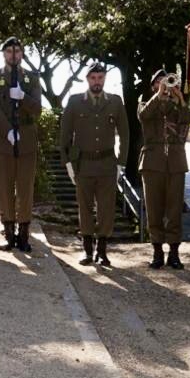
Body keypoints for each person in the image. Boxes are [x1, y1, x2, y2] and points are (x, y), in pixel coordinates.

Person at [59, 62, 128, 266]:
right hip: (83, 164)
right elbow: (64, 135)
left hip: (107, 164)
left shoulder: (115, 102)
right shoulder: (75, 102)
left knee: (106, 209)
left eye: (100, 77)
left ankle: (102, 251)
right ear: (87, 79)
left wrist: (121, 163)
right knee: (85, 208)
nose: (97, 81)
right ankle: (88, 251)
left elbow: (125, 134)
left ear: (104, 78)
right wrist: (68, 163)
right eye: (93, 78)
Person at [0, 36, 43, 252]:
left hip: (26, 138)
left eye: (17, 51)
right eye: (9, 51)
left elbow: (37, 109)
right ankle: (9, 232)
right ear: (4, 54)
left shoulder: (32, 78)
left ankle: (24, 233)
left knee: (25, 188)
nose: (13, 55)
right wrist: (7, 130)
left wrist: (23, 96)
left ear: (22, 54)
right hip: (3, 139)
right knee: (5, 187)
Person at [138, 71, 190, 268]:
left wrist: (180, 99)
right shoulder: (146, 104)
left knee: (174, 209)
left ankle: (174, 253)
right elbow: (144, 116)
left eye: (166, 82)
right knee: (153, 209)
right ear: (152, 86)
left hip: (175, 163)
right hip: (152, 164)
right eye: (158, 82)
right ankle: (157, 252)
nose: (163, 85)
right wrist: (159, 95)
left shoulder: (177, 106)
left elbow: (188, 119)